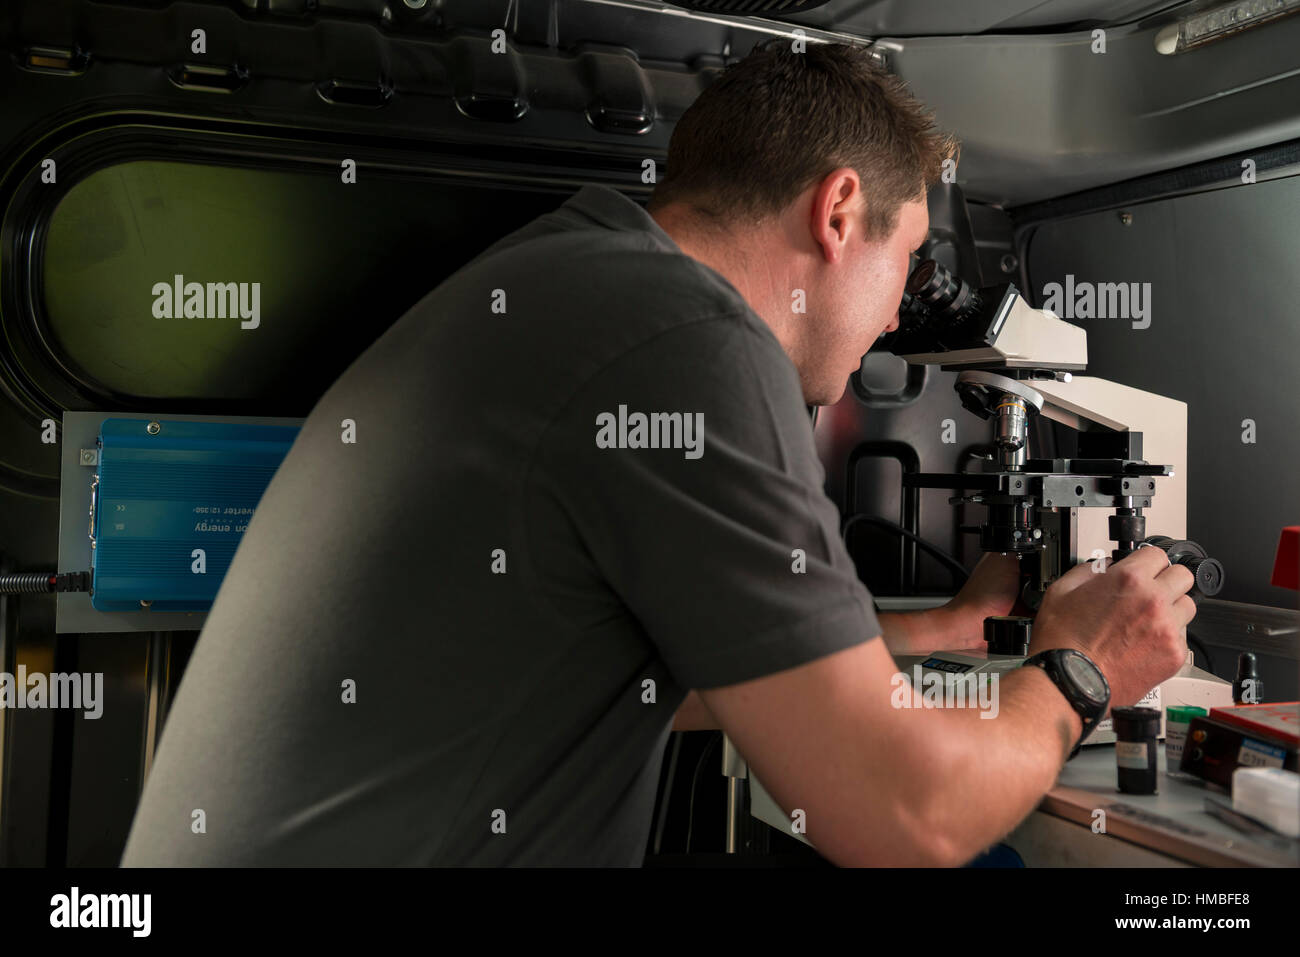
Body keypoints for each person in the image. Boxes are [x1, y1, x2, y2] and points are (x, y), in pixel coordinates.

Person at [121, 41, 1195, 867]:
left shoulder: (566, 280)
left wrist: (949, 629)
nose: (891, 317)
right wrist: (1080, 666)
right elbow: (899, 820)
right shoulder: (685, 338)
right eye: (905, 261)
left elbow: (652, 674)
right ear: (837, 212)